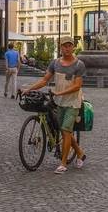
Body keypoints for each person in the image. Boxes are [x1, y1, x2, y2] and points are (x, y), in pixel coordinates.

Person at [23, 38, 86, 174]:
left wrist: (60, 92)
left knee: (65, 130)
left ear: (73, 47)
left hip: (73, 102)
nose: (67, 49)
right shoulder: (55, 63)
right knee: (65, 131)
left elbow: (77, 86)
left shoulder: (79, 65)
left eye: (69, 46)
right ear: (60, 47)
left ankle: (63, 163)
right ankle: (80, 153)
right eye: (64, 46)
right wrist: (29, 89)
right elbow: (45, 80)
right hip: (59, 102)